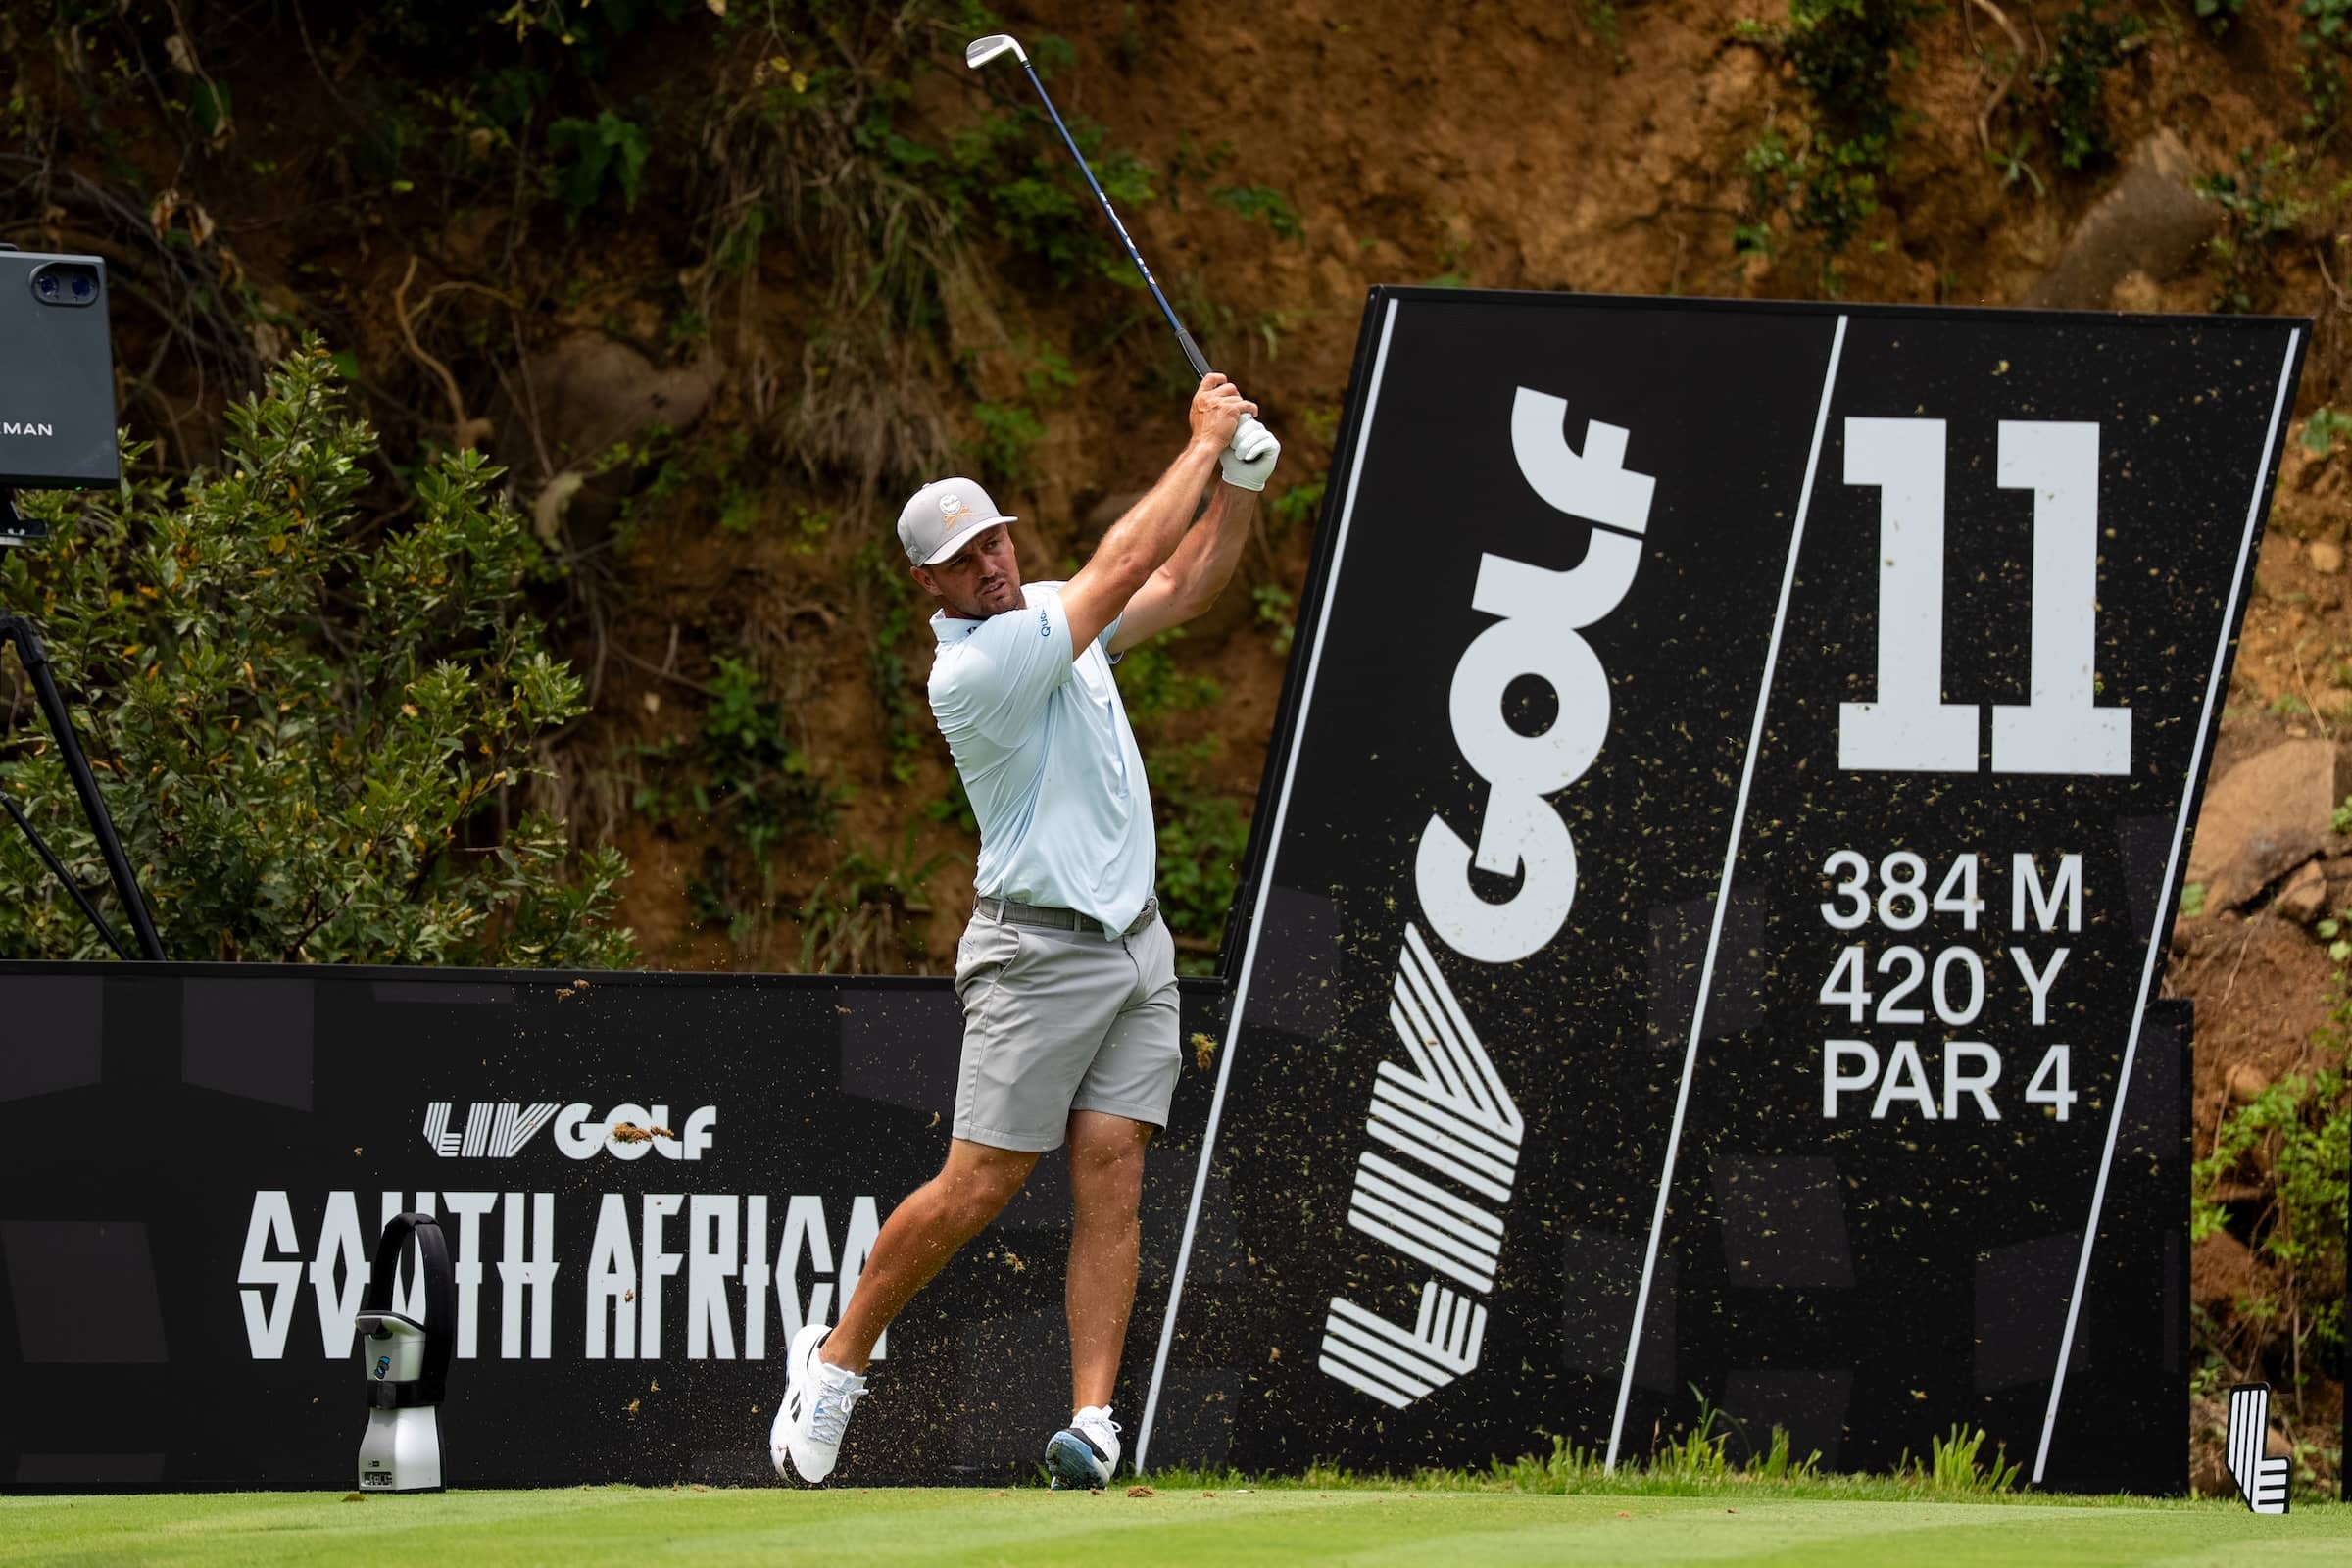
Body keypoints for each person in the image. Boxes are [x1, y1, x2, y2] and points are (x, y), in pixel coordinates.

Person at [770, 372, 1279, 1489]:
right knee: (981, 1182)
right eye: (963, 560)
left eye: (995, 542)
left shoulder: (1051, 612)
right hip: (1035, 953)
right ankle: (838, 1359)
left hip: (1137, 948)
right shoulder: (981, 664)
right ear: (928, 585)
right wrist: (1200, 443)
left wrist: (1237, 486)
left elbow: (1185, 583)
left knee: (1113, 1169)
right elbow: (1123, 571)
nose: (990, 565)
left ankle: (1092, 1421)